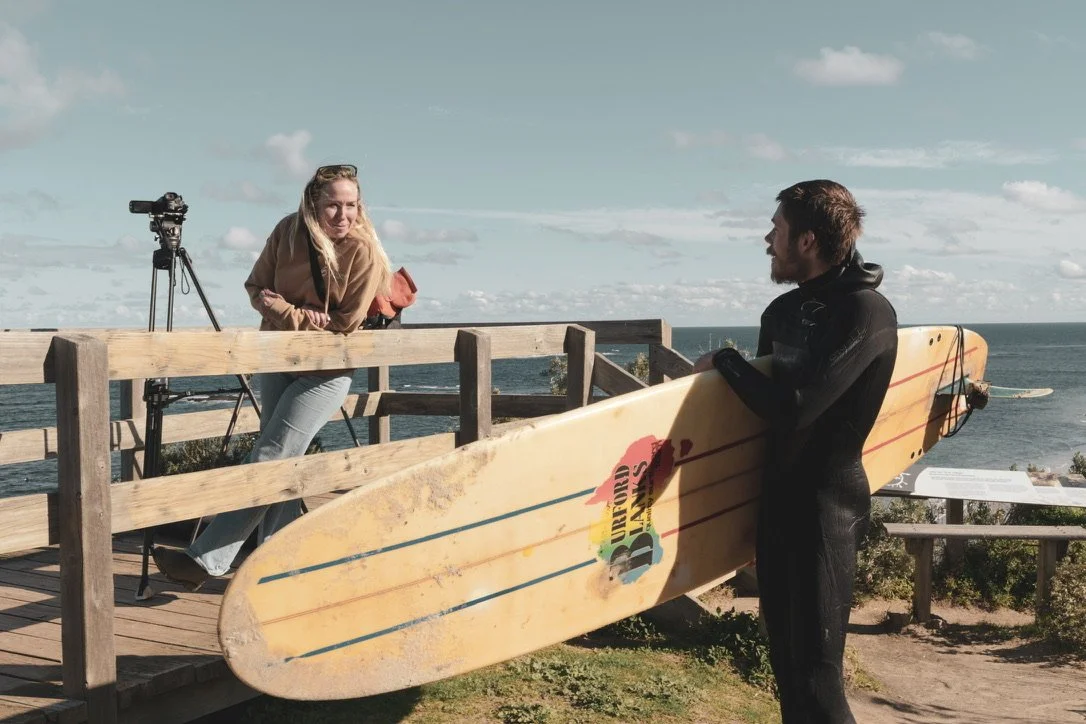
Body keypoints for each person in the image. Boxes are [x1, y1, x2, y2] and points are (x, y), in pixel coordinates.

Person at [694, 180, 898, 723]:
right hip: (777, 511)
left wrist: (727, 362)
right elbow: (757, 424)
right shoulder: (781, 313)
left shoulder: (865, 312)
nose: (768, 238)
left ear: (807, 240)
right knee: (786, 675)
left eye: (777, 229)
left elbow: (795, 407)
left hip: (824, 516)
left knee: (817, 683)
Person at [152, 163, 394, 590]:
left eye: (351, 206)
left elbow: (345, 322)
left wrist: (284, 310)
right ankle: (283, 568)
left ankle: (208, 559)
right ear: (312, 203)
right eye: (333, 205)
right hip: (279, 358)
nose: (343, 215)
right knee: (282, 461)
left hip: (327, 370)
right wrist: (300, 315)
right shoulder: (287, 231)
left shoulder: (364, 251)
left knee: (271, 456)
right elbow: (255, 287)